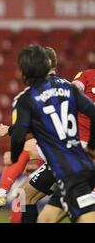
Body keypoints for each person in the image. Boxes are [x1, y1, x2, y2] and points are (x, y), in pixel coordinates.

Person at [9, 45, 95, 223]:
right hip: (80, 163)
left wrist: (14, 157)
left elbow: (19, 136)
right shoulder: (69, 89)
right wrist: (92, 148)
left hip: (70, 168)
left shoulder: (26, 99)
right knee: (46, 219)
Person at [0, 47, 59, 223]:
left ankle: (0, 193)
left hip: (70, 156)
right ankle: (1, 194)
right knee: (23, 195)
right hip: (69, 155)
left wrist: (10, 130)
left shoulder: (47, 88)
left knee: (24, 150)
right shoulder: (67, 87)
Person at [36, 67, 95, 223]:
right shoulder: (86, 76)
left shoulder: (86, 76)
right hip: (81, 160)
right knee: (46, 219)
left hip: (81, 158)